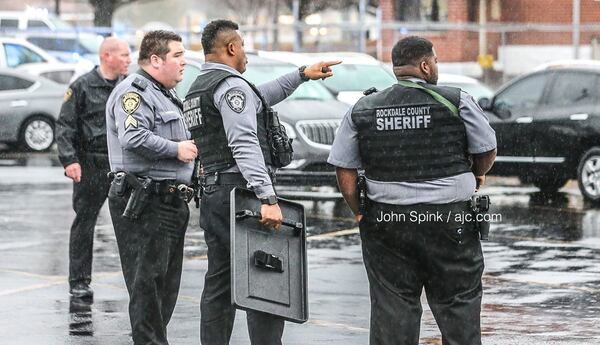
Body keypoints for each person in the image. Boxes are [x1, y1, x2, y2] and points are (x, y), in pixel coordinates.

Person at [328, 36, 497, 345]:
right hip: (450, 221)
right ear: (424, 65)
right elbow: (486, 149)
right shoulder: (456, 99)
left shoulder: (363, 108)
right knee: (458, 305)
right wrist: (476, 174)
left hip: (387, 223)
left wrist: (358, 211)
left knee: (394, 310)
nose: (436, 67)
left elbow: (344, 169)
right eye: (435, 62)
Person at [184, 19, 339, 345]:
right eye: (242, 46)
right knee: (264, 274)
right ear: (230, 48)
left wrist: (300, 75)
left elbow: (261, 96)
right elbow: (244, 144)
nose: (245, 53)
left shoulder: (201, 86)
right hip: (241, 193)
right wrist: (267, 199)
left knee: (221, 280)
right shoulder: (231, 87)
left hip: (214, 191)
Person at [105, 30, 197, 345]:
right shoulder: (135, 91)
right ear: (155, 60)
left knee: (164, 289)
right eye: (177, 55)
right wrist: (176, 149)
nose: (184, 61)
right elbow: (132, 137)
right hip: (145, 200)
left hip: (169, 202)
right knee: (147, 287)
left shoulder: (164, 94)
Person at [55, 37, 131, 299]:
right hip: (91, 164)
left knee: (132, 222)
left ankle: (137, 282)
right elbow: (65, 126)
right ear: (106, 56)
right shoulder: (82, 87)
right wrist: (69, 160)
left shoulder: (129, 86)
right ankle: (79, 281)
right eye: (123, 55)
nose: (128, 59)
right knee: (85, 223)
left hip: (122, 164)